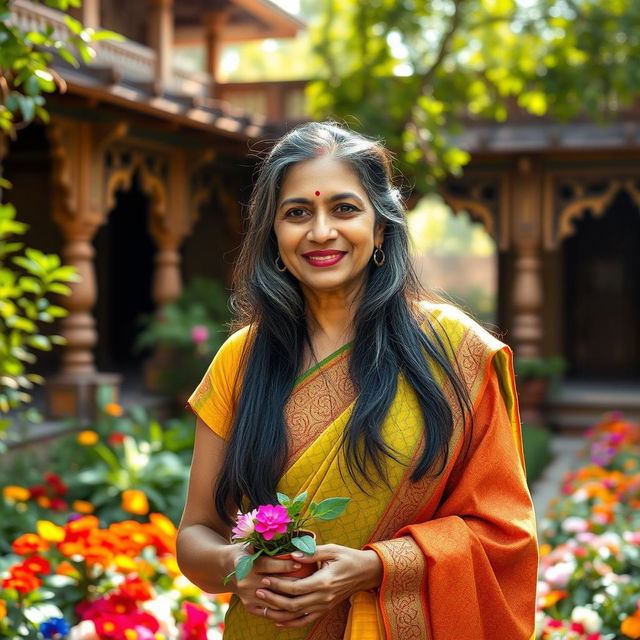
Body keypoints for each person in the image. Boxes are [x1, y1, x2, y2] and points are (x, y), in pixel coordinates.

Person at [177, 121, 538, 640]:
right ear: (274, 237)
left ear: (381, 228)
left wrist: (378, 566)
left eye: (344, 209)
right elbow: (196, 533)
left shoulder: (459, 354)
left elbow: (506, 535)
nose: (320, 231)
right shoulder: (241, 361)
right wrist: (239, 564)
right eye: (297, 212)